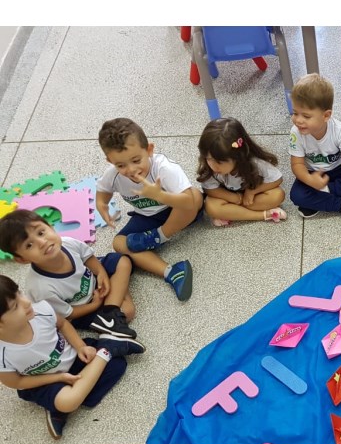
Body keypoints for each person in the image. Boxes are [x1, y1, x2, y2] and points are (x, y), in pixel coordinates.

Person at [0, 275, 144, 440]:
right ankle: (108, 348)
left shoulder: (41, 311)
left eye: (19, 293)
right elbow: (17, 382)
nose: (26, 302)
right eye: (15, 306)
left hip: (73, 358)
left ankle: (63, 405)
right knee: (69, 401)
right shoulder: (3, 354)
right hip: (43, 381)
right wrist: (59, 378)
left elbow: (62, 324)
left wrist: (80, 346)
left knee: (117, 366)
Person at [96, 118, 203, 301]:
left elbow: (189, 203)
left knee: (196, 196)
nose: (131, 169)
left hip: (177, 210)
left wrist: (160, 196)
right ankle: (172, 272)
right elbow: (102, 193)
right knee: (119, 243)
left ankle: (158, 236)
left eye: (136, 160)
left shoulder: (164, 168)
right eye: (121, 165)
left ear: (149, 150)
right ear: (110, 161)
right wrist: (102, 206)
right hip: (146, 217)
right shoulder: (112, 175)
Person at [0, 209, 138, 339]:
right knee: (128, 311)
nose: (42, 243)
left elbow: (87, 257)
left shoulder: (68, 243)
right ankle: (112, 307)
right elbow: (68, 313)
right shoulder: (41, 288)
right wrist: (95, 305)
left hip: (94, 281)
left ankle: (111, 309)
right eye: (29, 245)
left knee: (123, 261)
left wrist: (101, 272)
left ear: (51, 227)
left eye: (41, 233)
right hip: (81, 310)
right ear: (22, 259)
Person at [288, 73, 341, 227]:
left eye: (306, 116)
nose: (298, 120)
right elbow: (297, 165)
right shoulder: (296, 132)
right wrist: (310, 180)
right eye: (295, 113)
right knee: (296, 195)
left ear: (326, 115)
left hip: (340, 169)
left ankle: (322, 196)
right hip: (313, 173)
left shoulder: (340, 131)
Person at [197, 117, 287, 226]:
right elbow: (210, 189)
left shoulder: (255, 162)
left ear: (237, 156)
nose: (213, 166)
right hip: (229, 197)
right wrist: (234, 198)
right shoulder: (209, 167)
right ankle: (264, 215)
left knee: (278, 195)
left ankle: (233, 213)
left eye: (220, 162)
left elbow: (277, 179)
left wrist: (251, 192)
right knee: (210, 206)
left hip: (252, 196)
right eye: (208, 159)